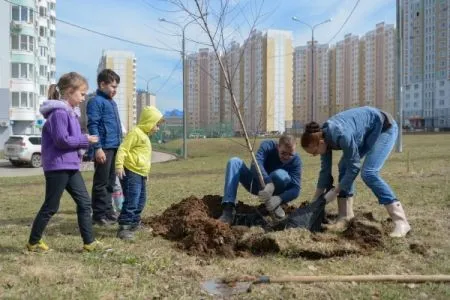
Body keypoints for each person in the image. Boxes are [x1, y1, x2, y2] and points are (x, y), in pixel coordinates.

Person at [301, 106, 411, 238]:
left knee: (369, 173)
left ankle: (401, 222)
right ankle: (345, 216)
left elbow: (354, 167)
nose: (314, 155)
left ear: (321, 142)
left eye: (314, 152)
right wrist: (315, 200)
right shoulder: (323, 138)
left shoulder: (341, 134)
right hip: (366, 133)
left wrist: (336, 191)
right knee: (343, 166)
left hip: (384, 128)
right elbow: (325, 171)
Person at [26, 72, 103, 252]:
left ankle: (89, 242)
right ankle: (33, 242)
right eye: (82, 94)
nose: (84, 98)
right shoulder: (59, 113)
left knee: (84, 202)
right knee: (51, 206)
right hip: (58, 167)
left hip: (70, 166)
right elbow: (62, 140)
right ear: (69, 91)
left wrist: (83, 142)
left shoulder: (70, 114)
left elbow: (70, 139)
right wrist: (85, 140)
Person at [218, 134, 302, 225]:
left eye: (290, 154)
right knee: (234, 162)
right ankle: (228, 209)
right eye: (283, 153)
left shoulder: (296, 161)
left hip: (276, 192)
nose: (286, 157)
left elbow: (296, 189)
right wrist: (268, 182)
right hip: (256, 185)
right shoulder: (267, 145)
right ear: (278, 147)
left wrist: (279, 198)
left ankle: (275, 204)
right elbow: (255, 164)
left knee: (280, 174)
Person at [115, 106, 163, 240]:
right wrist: (119, 165)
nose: (157, 128)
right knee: (132, 199)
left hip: (140, 174)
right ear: (149, 121)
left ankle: (135, 223)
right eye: (156, 125)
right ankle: (124, 227)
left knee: (141, 200)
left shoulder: (145, 136)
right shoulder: (135, 133)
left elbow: (144, 157)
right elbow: (123, 149)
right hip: (131, 172)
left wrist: (145, 172)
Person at [87, 69, 122, 226]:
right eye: (113, 86)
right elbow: (93, 126)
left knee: (110, 181)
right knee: (101, 182)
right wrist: (98, 148)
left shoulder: (112, 102)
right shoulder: (95, 102)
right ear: (102, 84)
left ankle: (109, 212)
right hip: (104, 148)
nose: (115, 90)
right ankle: (99, 215)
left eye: (116, 87)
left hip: (114, 146)